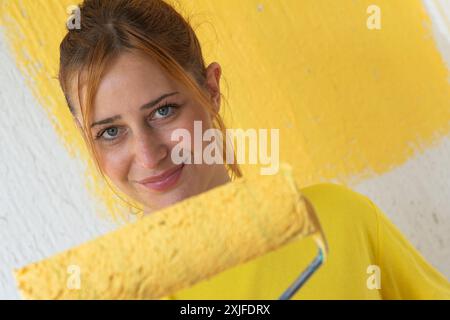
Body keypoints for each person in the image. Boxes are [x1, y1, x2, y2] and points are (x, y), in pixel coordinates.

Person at [57, 0, 450, 299]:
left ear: (211, 90)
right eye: (110, 131)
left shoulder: (338, 221)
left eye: (163, 110)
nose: (147, 154)